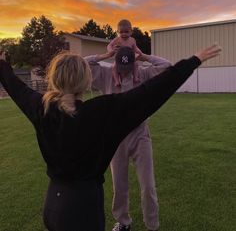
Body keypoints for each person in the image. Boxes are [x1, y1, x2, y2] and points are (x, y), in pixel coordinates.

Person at [0, 45, 221, 231]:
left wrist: (2, 64)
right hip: (85, 211)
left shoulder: (42, 108)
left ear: (54, 79)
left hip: (52, 208)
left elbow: (14, 85)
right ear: (86, 82)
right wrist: (194, 61)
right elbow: (153, 92)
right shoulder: (103, 112)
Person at [85, 46, 171, 231]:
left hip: (140, 134)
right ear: (115, 62)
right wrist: (104, 55)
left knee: (148, 185)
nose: (124, 74)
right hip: (115, 137)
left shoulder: (144, 73)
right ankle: (123, 222)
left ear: (134, 63)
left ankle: (152, 225)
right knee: (119, 185)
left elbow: (168, 67)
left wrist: (145, 56)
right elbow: (82, 64)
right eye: (120, 68)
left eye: (128, 68)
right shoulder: (105, 73)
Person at [107, 19, 142, 86]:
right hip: (119, 59)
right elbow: (109, 45)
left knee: (136, 64)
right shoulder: (117, 40)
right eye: (121, 32)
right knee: (114, 67)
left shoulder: (132, 40)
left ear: (131, 32)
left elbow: (135, 48)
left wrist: (139, 51)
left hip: (130, 59)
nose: (124, 34)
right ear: (118, 32)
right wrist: (111, 51)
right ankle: (117, 81)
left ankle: (135, 77)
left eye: (126, 32)